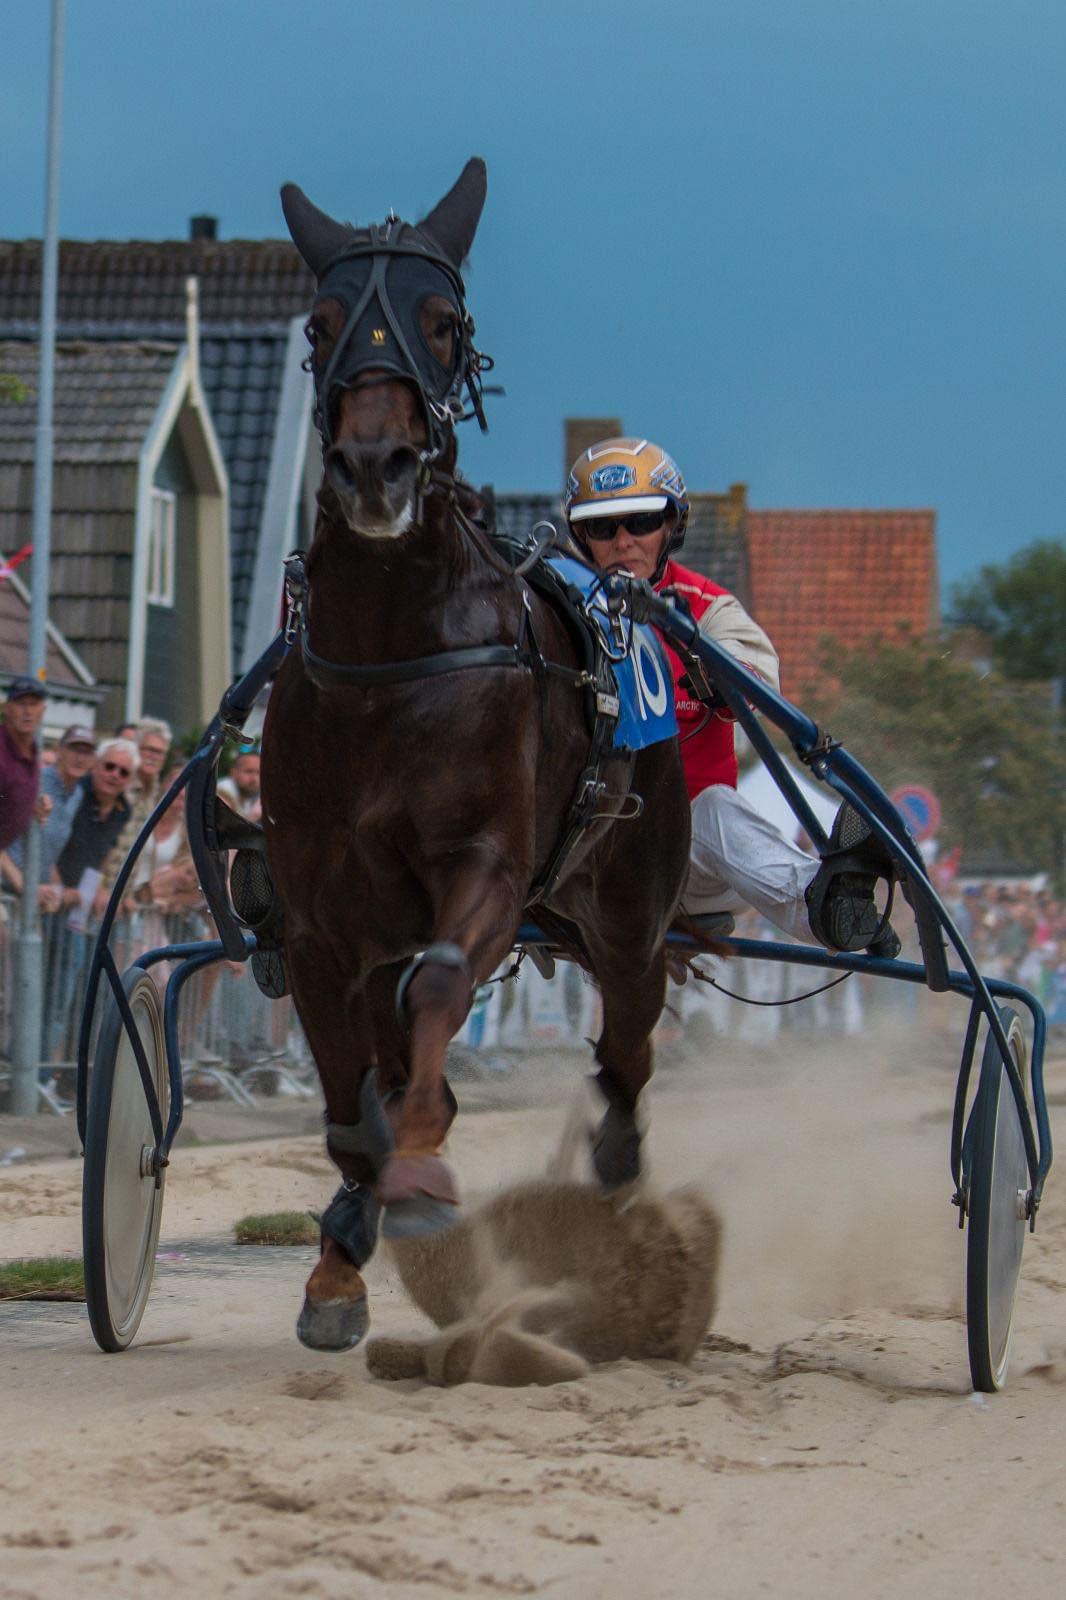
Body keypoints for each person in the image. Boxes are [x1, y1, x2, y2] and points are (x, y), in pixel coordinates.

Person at [564, 437, 899, 957]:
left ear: (671, 525)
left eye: (641, 521)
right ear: (581, 537)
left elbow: (758, 687)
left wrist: (697, 658)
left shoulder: (709, 609)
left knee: (717, 807)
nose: (624, 541)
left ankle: (825, 906)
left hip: (681, 857)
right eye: (603, 527)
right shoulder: (556, 613)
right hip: (572, 856)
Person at [1, 724, 97, 911]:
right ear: (58, 750)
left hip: (29, 902)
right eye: (74, 749)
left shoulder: (77, 794)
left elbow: (48, 851)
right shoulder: (33, 781)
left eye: (87, 752)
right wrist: (24, 885)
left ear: (93, 759)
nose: (79, 757)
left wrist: (56, 891)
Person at [0, 677, 51, 854]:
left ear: (42, 711)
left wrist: (31, 802)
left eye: (33, 704)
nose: (27, 711)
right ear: (7, 708)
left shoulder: (32, 750)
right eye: (21, 703)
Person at [217, 748, 262, 822]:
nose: (254, 779)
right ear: (233, 773)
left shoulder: (253, 793)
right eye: (249, 771)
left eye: (258, 773)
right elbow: (227, 830)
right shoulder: (223, 793)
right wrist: (252, 818)